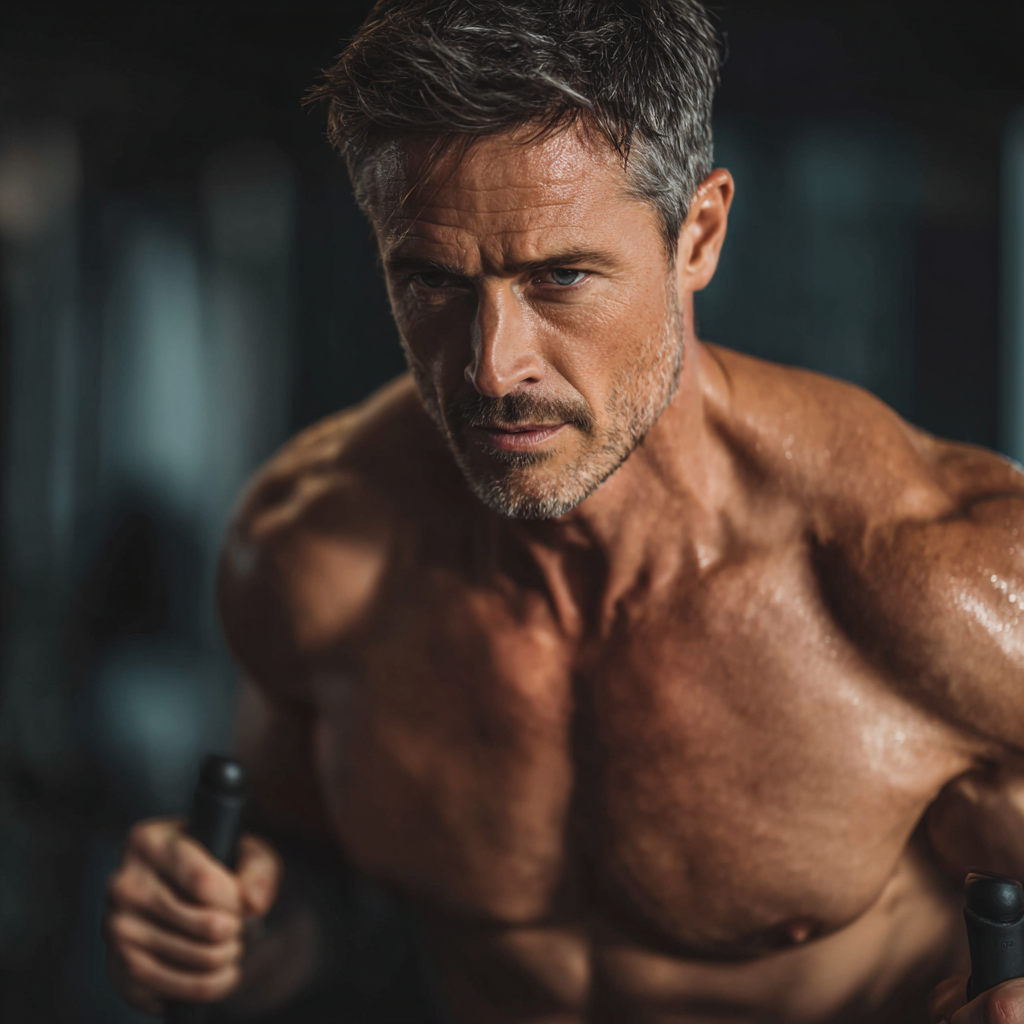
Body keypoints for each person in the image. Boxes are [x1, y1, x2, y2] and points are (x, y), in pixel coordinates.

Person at [102, 2, 1024, 1021]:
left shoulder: (944, 583)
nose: (493, 368)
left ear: (698, 234)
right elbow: (311, 913)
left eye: (561, 277)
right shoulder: (310, 548)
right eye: (433, 279)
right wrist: (219, 936)